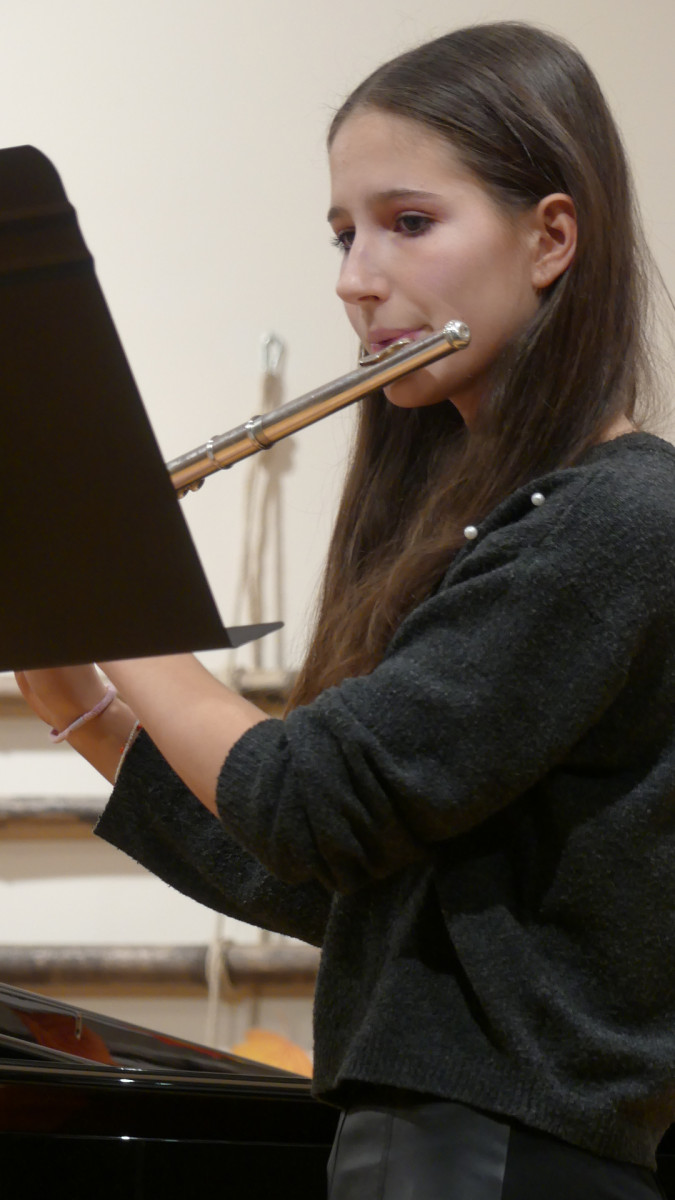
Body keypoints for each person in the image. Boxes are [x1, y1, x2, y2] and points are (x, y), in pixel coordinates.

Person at [15, 20, 675, 1199]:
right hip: (461, 1143)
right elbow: (338, 881)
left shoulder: (611, 523)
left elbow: (311, 805)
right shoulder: (519, 523)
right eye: (343, 232)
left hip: (498, 1154)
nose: (356, 279)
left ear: (551, 238)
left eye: (408, 222)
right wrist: (84, 706)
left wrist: (106, 579)